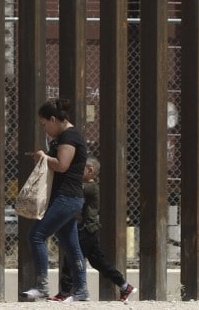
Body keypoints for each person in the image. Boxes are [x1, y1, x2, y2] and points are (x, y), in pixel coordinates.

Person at [21, 97, 88, 302]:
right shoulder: (64, 136)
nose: (44, 129)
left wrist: (44, 157)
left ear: (53, 119)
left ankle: (41, 286)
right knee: (71, 245)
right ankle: (81, 291)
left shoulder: (70, 137)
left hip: (67, 197)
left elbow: (61, 165)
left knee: (37, 235)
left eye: (44, 125)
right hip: (68, 197)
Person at [56, 157, 135, 302]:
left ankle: (65, 293)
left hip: (86, 230)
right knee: (99, 263)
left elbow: (71, 189)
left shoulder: (89, 187)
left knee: (71, 258)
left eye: (80, 168)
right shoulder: (85, 186)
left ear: (90, 170)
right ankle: (125, 286)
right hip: (89, 230)